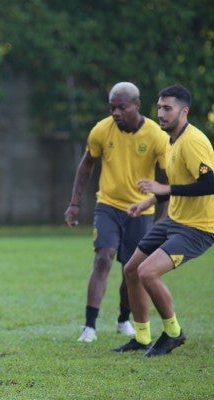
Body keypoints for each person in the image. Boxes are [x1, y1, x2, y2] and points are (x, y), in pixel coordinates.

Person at [113, 84, 214, 356]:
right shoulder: (171, 139)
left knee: (147, 272)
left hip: (198, 228)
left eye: (167, 108)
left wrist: (165, 190)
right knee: (131, 269)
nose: (161, 113)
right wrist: (150, 200)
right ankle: (142, 337)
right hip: (175, 220)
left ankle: (173, 332)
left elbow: (210, 183)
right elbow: (180, 182)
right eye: (159, 107)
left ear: (184, 111)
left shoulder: (193, 141)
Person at [64, 82, 170, 343]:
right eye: (112, 107)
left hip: (141, 210)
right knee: (103, 257)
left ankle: (124, 318)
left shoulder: (156, 135)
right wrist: (74, 203)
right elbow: (87, 164)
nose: (115, 112)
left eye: (121, 107)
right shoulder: (102, 130)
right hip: (108, 205)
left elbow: (169, 178)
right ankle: (89, 326)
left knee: (131, 270)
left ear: (136, 105)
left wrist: (164, 215)